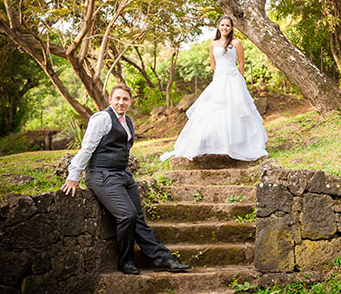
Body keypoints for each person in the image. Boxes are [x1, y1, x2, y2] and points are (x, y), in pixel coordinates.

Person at [60, 84, 190, 275]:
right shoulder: (102, 118)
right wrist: (73, 174)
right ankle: (125, 261)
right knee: (127, 215)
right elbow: (87, 147)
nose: (121, 102)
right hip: (101, 175)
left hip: (122, 175)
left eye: (125, 99)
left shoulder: (128, 121)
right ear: (110, 99)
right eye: (118, 98)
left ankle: (163, 260)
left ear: (130, 102)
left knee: (138, 218)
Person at [160, 15, 268, 162]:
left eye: (228, 25)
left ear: (231, 28)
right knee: (214, 110)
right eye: (222, 25)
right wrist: (221, 75)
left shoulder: (236, 43)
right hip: (219, 79)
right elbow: (213, 65)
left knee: (237, 110)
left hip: (234, 79)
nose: (225, 27)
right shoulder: (213, 44)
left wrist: (238, 79)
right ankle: (216, 144)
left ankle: (240, 144)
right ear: (218, 26)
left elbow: (241, 64)